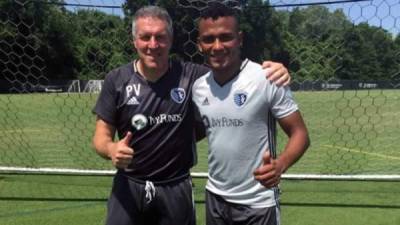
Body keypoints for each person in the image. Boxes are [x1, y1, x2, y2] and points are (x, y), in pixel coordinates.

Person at [92, 5, 291, 225]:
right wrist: (111, 149)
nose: (153, 45)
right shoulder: (117, 80)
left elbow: (233, 72)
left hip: (175, 187)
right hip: (129, 185)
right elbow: (101, 137)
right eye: (145, 37)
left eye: (160, 37)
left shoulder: (193, 77)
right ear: (134, 41)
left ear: (171, 39)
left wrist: (274, 70)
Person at [192, 3, 310, 225]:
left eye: (225, 37)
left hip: (258, 201)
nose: (217, 46)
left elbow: (300, 134)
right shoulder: (199, 87)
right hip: (215, 197)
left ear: (240, 39)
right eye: (208, 39)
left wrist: (281, 164)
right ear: (199, 44)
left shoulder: (266, 78)